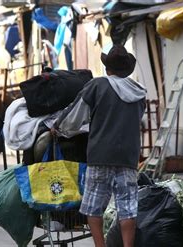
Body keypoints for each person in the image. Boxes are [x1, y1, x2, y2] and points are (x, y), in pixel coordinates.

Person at [52, 44, 146, 247]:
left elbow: (75, 115)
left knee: (94, 207)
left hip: (101, 155)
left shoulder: (98, 86)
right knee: (127, 208)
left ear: (108, 68)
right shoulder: (138, 92)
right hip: (128, 158)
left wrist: (58, 127)